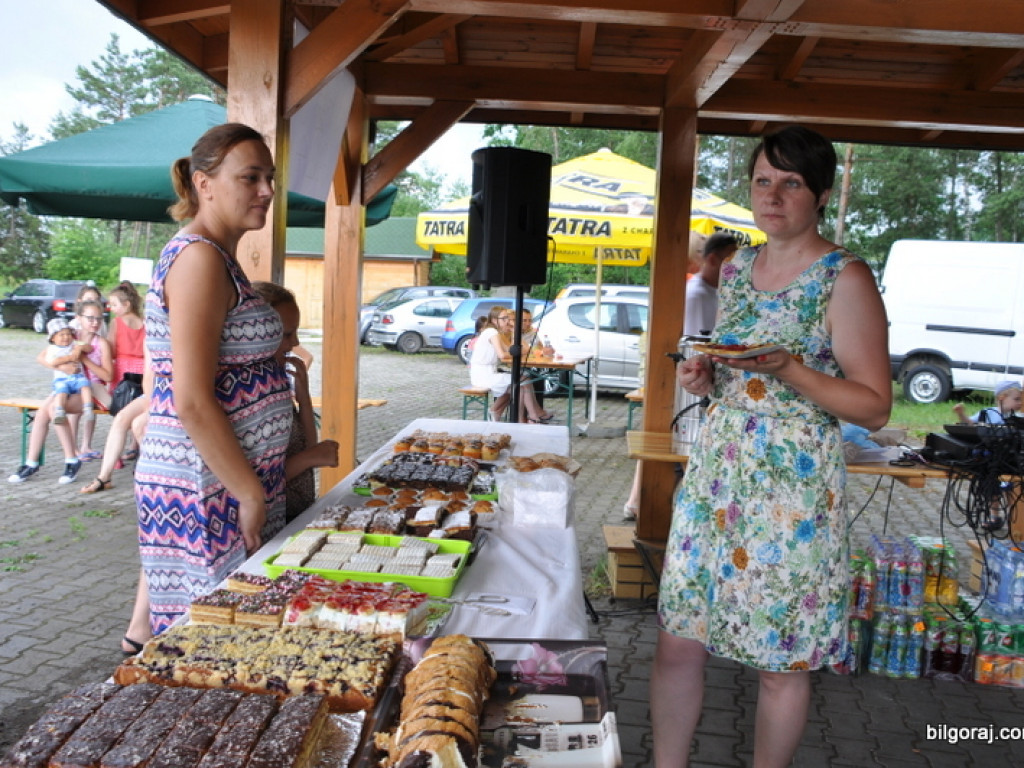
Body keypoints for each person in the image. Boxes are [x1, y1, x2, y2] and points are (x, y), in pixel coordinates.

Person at [651, 125, 891, 768]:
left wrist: (789, 370)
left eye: (791, 183)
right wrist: (706, 376)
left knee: (780, 661)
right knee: (679, 639)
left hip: (794, 492)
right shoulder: (733, 267)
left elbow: (874, 404)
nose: (773, 195)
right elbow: (735, 370)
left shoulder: (845, 276)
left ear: (820, 195)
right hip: (716, 478)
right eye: (764, 180)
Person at [134, 122, 293, 635]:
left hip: (230, 480)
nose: (267, 190)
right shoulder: (199, 258)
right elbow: (192, 400)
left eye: (269, 177)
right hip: (209, 487)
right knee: (213, 641)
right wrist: (249, 492)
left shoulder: (221, 257)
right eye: (250, 177)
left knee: (237, 638)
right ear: (204, 184)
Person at [623, 234, 738, 520]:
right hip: (691, 388)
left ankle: (644, 504)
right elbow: (697, 346)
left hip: (705, 386)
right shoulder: (697, 293)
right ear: (712, 259)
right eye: (730, 260)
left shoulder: (717, 292)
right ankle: (675, 510)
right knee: (684, 449)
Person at [252, 281, 340, 523]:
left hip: (296, 511)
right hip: (271, 520)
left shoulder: (275, 380)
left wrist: (304, 399)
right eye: (287, 334)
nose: (294, 344)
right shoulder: (247, 395)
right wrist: (310, 459)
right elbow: (251, 485)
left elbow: (308, 444)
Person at [7, 302, 113, 485]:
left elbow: (108, 375)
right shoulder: (68, 335)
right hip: (66, 383)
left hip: (91, 389)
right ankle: (31, 463)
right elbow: (42, 357)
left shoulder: (100, 343)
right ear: (78, 318)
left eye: (98, 318)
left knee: (55, 410)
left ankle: (71, 460)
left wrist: (83, 359)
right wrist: (62, 367)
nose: (95, 322)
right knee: (41, 414)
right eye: (90, 318)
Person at [469, 306, 553, 423]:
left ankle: (520, 417)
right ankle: (532, 416)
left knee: (521, 382)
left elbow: (514, 349)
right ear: (494, 320)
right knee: (523, 380)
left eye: (508, 318)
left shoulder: (496, 333)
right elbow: (503, 355)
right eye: (504, 319)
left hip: (489, 372)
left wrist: (514, 332)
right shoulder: (491, 332)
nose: (507, 321)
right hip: (484, 375)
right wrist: (515, 351)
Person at [43, 318, 97, 426]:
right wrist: (69, 358)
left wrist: (80, 347)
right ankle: (59, 411)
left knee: (85, 386)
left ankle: (88, 408)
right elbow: (53, 362)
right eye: (61, 335)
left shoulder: (74, 344)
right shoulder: (52, 349)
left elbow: (89, 348)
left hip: (77, 377)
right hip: (62, 379)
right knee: (61, 392)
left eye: (68, 334)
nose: (66, 337)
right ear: (53, 338)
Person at [953, 379, 1022, 425]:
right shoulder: (988, 412)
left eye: (1021, 400)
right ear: (1002, 398)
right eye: (1017, 399)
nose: (1020, 403)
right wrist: (961, 414)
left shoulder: (1019, 418)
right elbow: (970, 423)